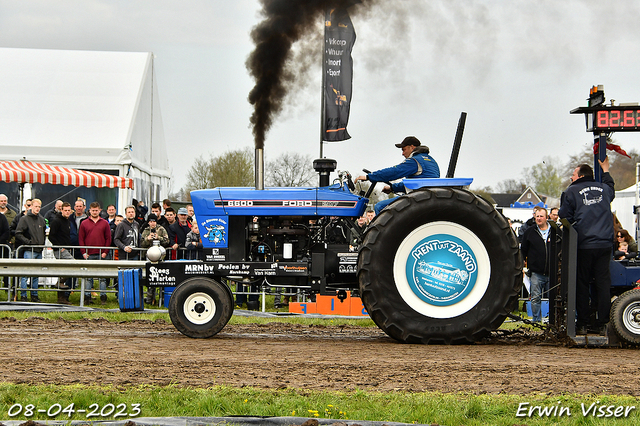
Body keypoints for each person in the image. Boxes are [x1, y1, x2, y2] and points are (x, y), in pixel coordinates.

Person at [558, 157, 615, 336]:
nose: (571, 178)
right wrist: (605, 171)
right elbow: (611, 189)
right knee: (603, 283)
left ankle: (582, 323)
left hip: (584, 244)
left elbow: (564, 215)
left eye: (573, 174)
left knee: (581, 284)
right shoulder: (604, 188)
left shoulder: (572, 191)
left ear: (580, 175)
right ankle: (601, 323)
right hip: (605, 244)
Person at [355, 136, 440, 214]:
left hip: (417, 198)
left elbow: (395, 172)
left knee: (380, 207)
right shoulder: (431, 161)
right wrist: (392, 188)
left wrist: (369, 177)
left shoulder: (414, 161)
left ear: (412, 147)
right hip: (426, 196)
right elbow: (416, 184)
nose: (402, 153)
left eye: (404, 149)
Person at [521, 208, 558, 323]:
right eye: (537, 216)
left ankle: (553, 320)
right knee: (535, 297)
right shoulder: (529, 232)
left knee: (554, 298)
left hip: (552, 271)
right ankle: (536, 320)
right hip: (536, 272)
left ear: (547, 217)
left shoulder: (555, 232)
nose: (539, 218)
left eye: (541, 216)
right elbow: (523, 250)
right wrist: (522, 261)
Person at [79, 202, 112, 304]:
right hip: (89, 254)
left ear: (99, 210)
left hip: (101, 253)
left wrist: (105, 251)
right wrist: (84, 252)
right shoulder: (84, 223)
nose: (94, 212)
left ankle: (103, 297)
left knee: (102, 277)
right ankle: (87, 297)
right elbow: (81, 239)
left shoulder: (105, 223)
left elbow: (108, 238)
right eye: (93, 210)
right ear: (89, 211)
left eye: (96, 210)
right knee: (89, 277)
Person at [15, 199, 46, 302]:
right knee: (25, 274)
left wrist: (42, 245)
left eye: (39, 207)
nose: (37, 209)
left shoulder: (41, 219)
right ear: (31, 206)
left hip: (38, 250)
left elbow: (43, 234)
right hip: (29, 250)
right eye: (36, 206)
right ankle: (23, 295)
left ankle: (34, 294)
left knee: (36, 274)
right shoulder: (24, 219)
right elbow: (18, 233)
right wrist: (28, 242)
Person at [48, 202, 74, 304]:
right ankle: (60, 283)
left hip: (66, 249)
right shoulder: (56, 221)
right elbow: (51, 236)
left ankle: (61, 297)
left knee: (64, 270)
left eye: (69, 210)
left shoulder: (67, 221)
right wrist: (60, 247)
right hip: (60, 250)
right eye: (65, 210)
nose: (67, 212)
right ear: (61, 210)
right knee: (73, 264)